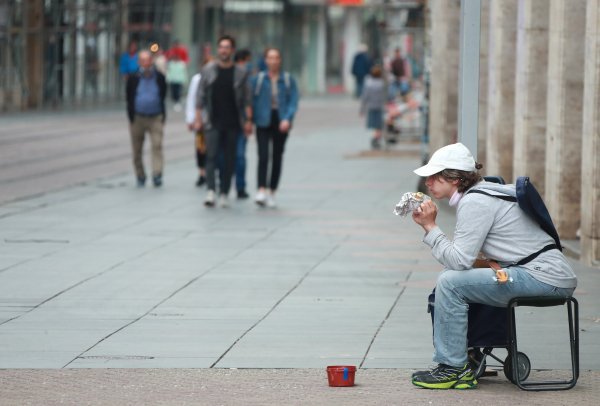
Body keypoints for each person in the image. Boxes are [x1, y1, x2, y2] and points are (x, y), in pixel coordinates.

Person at [410, 143, 577, 390]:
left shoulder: (475, 202)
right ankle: (465, 357)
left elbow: (459, 260)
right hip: (546, 273)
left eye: (434, 176)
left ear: (454, 178)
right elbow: (466, 259)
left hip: (543, 277)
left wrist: (430, 227)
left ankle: (453, 369)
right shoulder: (485, 192)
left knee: (449, 282)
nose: (427, 183)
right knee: (454, 278)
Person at [194, 35, 252, 208]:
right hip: (212, 122)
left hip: (233, 122)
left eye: (227, 47)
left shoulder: (240, 72)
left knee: (229, 159)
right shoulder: (208, 70)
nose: (224, 50)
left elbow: (247, 99)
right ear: (217, 49)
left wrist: (249, 121)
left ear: (232, 50)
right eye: (221, 47)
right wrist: (198, 119)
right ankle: (211, 190)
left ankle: (225, 192)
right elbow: (200, 96)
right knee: (210, 156)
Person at [251, 47, 299, 208]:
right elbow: (251, 101)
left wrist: (287, 118)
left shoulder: (287, 79)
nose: (273, 61)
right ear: (265, 60)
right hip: (263, 120)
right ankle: (261, 189)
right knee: (263, 155)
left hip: (280, 120)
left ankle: (272, 191)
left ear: (280, 60)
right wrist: (249, 120)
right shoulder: (258, 79)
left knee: (277, 156)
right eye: (270, 58)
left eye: (276, 58)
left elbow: (293, 100)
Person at [126, 50, 167, 187]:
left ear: (152, 61)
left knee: (157, 145)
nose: (145, 63)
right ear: (139, 62)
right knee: (137, 149)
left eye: (147, 60)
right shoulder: (133, 78)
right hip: (138, 117)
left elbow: (163, 94)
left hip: (155, 116)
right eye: (142, 60)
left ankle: (157, 174)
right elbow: (129, 97)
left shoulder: (159, 77)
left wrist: (162, 114)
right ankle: (140, 175)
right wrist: (131, 116)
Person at [233, 49, 253, 199]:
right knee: (222, 157)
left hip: (240, 122)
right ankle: (222, 184)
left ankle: (240, 186)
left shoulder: (246, 76)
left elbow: (248, 100)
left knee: (240, 156)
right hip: (224, 122)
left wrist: (249, 121)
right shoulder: (229, 73)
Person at [186, 70, 206, 187]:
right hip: (200, 121)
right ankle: (202, 173)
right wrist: (190, 119)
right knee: (200, 147)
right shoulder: (197, 79)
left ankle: (212, 172)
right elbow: (191, 99)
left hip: (215, 120)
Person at [360, 65, 386, 150]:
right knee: (379, 125)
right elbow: (384, 97)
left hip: (371, 107)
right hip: (379, 107)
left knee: (375, 125)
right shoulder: (382, 84)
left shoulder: (368, 84)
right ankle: (376, 139)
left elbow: (365, 97)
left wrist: (362, 109)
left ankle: (375, 138)